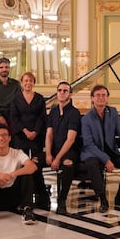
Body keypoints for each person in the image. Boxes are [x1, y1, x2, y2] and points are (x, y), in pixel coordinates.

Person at [80, 85, 120, 213]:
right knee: (92, 164)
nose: (101, 98)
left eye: (104, 95)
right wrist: (106, 160)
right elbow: (89, 144)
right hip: (93, 153)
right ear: (92, 99)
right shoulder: (86, 119)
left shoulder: (113, 112)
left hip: (110, 151)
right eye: (98, 95)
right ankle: (103, 199)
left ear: (107, 98)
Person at [11, 72, 49, 210]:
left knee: (36, 165)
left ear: (34, 82)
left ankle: (41, 197)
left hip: (36, 137)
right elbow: (14, 118)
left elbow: (42, 117)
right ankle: (23, 198)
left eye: (31, 80)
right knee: (21, 166)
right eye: (25, 80)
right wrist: (25, 131)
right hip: (21, 137)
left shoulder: (39, 99)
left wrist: (35, 132)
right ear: (21, 83)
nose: (28, 83)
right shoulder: (15, 99)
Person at [45, 81, 81, 214]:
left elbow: (71, 139)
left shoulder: (74, 113)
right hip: (53, 149)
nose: (61, 92)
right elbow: (49, 134)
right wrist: (48, 154)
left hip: (68, 150)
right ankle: (42, 195)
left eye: (65, 91)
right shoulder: (53, 111)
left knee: (67, 164)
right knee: (33, 162)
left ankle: (61, 200)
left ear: (70, 94)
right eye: (59, 90)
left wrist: (57, 158)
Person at [0, 57, 21, 128]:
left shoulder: (16, 84)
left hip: (12, 112)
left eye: (6, 67)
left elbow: (18, 101)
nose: (4, 69)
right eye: (1, 67)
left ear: (9, 68)